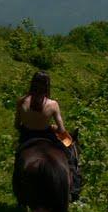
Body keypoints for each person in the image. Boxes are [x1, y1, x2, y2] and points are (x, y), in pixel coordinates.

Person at [14, 71, 81, 200]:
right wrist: (51, 127)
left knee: (18, 161)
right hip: (46, 136)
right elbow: (61, 130)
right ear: (47, 86)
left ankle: (18, 190)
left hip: (27, 137)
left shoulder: (21, 101)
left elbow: (17, 125)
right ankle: (74, 190)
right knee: (69, 156)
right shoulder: (52, 104)